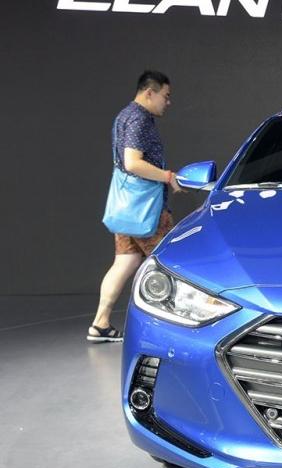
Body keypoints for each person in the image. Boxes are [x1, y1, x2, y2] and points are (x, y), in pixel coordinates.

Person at [87, 70, 184, 343]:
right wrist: (168, 177)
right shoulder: (140, 119)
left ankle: (100, 323)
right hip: (146, 210)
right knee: (172, 263)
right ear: (149, 93)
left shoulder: (123, 116)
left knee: (125, 261)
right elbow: (132, 163)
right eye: (166, 95)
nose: (168, 102)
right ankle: (175, 332)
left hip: (126, 208)